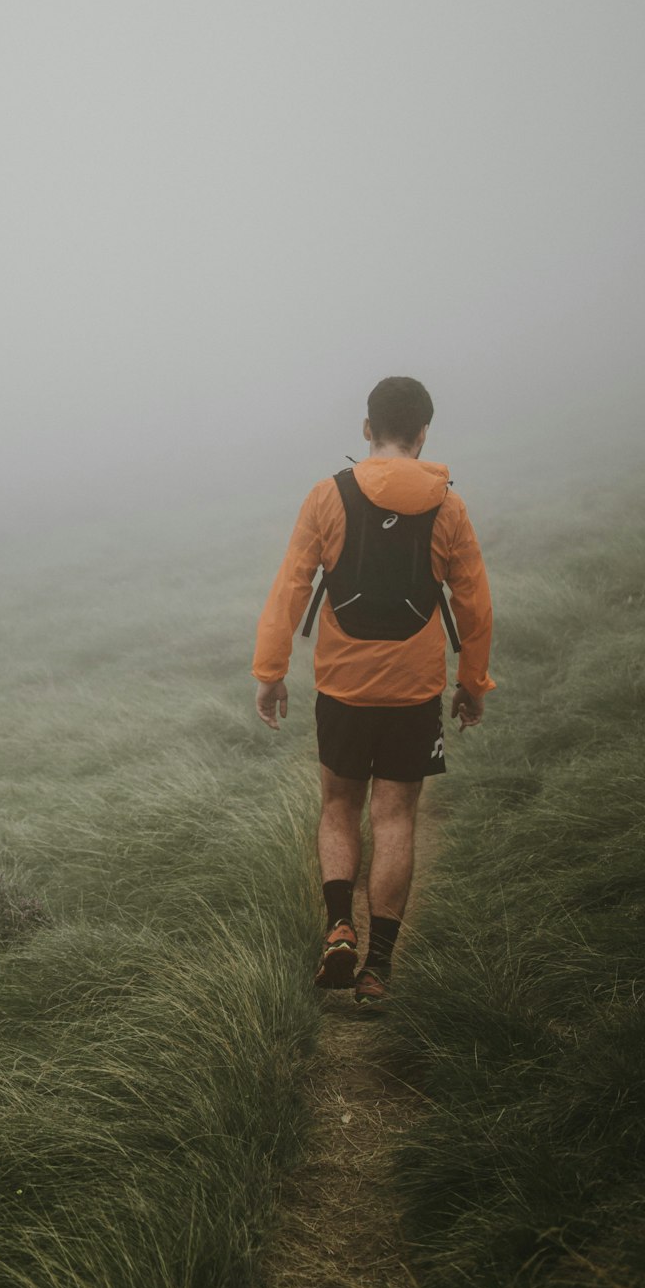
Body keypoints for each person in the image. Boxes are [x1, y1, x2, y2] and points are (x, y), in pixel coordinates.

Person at [252, 376, 494, 1007]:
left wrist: (271, 671)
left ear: (367, 429)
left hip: (343, 686)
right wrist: (472, 684)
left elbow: (291, 587)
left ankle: (339, 926)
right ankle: (378, 971)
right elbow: (474, 605)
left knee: (339, 807)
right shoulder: (450, 507)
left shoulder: (326, 497)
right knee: (395, 817)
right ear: (423, 434)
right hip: (414, 691)